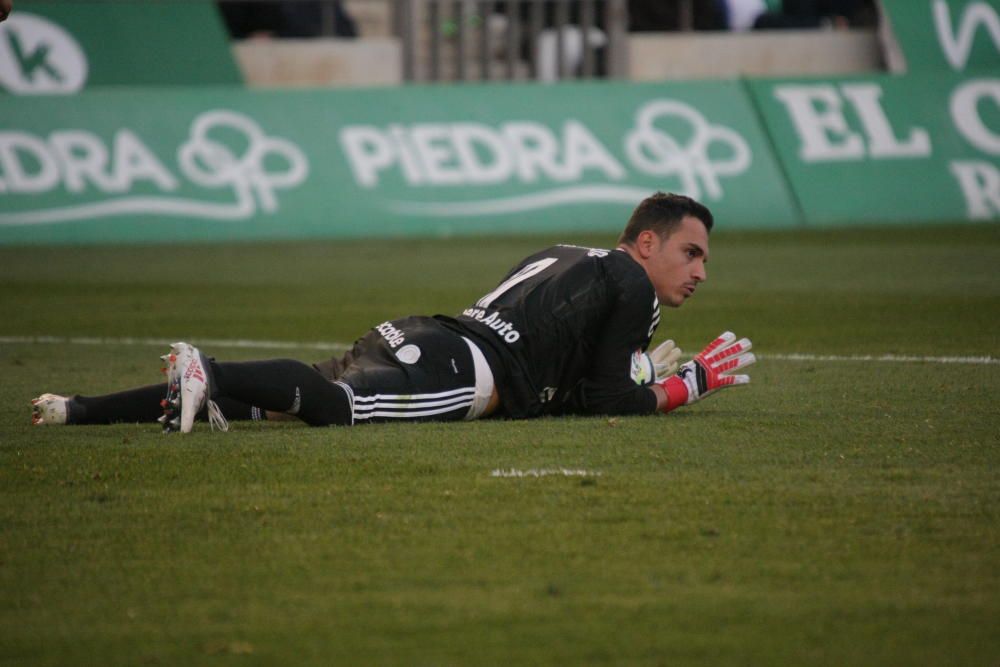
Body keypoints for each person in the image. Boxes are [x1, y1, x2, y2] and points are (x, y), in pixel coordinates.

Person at [31, 192, 755, 433]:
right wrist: (685, 383)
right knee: (334, 409)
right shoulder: (630, 284)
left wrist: (620, 368)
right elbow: (605, 403)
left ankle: (76, 409)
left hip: (427, 333)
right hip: (460, 367)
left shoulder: (570, 251)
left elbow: (567, 372)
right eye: (691, 252)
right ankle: (204, 365)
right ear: (648, 241)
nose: (700, 270)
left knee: (264, 404)